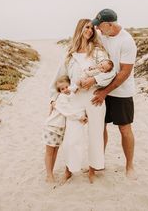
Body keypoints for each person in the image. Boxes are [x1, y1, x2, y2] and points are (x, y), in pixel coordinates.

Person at [49, 19, 114, 183]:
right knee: (72, 136)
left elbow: (110, 73)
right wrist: (53, 99)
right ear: (80, 29)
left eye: (92, 28)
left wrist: (94, 81)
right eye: (87, 27)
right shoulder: (70, 54)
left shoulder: (98, 51)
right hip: (75, 97)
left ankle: (92, 170)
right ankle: (69, 170)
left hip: (94, 97)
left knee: (95, 135)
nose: (90, 31)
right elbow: (59, 77)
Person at [82, 9, 137, 178]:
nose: (97, 29)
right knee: (100, 128)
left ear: (110, 24)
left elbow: (124, 73)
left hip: (122, 92)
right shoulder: (103, 37)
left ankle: (129, 166)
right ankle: (99, 163)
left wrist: (105, 92)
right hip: (102, 90)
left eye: (99, 26)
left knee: (124, 129)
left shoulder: (127, 41)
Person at [43, 75, 87, 183]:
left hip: (60, 129)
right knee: (49, 151)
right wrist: (79, 117)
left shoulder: (69, 95)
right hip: (52, 127)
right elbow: (67, 111)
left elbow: (74, 91)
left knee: (55, 151)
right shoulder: (61, 98)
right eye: (62, 89)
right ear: (59, 91)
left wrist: (76, 88)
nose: (65, 90)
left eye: (66, 87)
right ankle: (49, 174)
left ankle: (51, 172)